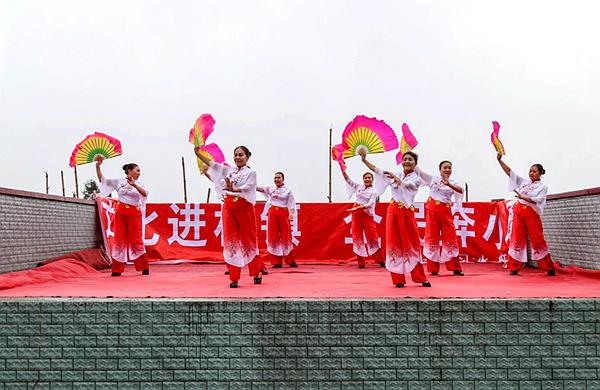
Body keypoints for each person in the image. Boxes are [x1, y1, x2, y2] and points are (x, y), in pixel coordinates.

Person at [194, 145, 264, 288]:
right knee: (230, 241)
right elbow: (212, 164)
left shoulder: (251, 173)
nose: (238, 157)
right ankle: (234, 277)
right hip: (228, 206)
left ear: (247, 157)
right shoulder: (229, 170)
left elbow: (249, 188)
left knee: (248, 240)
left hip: (244, 207)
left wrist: (235, 189)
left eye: (241, 155)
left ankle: (256, 272)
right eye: (236, 155)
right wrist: (198, 153)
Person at [360, 149, 431, 288]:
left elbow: (408, 187)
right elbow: (378, 170)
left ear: (415, 163)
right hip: (393, 212)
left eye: (410, 159)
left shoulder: (416, 178)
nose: (407, 161)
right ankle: (398, 279)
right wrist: (364, 160)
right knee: (394, 244)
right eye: (405, 159)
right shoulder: (396, 173)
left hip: (406, 214)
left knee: (412, 245)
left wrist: (396, 179)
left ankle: (420, 277)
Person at [497, 153, 555, 276]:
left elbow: (538, 200)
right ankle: (514, 267)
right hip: (519, 212)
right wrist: (500, 161)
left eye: (534, 171)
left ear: (540, 173)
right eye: (530, 171)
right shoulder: (524, 182)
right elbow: (510, 173)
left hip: (531, 213)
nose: (531, 173)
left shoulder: (542, 187)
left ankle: (548, 267)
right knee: (516, 239)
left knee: (537, 239)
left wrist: (524, 197)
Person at [95, 157, 149, 276]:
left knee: (136, 240)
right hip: (120, 213)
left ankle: (143, 266)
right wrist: (98, 166)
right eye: (137, 170)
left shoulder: (140, 183)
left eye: (139, 171)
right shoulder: (119, 181)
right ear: (129, 170)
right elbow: (103, 180)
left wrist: (134, 185)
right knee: (119, 240)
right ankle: (117, 269)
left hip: (135, 213)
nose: (139, 173)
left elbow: (145, 193)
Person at [416, 161, 465, 276]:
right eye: (445, 168)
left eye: (449, 168)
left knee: (451, 238)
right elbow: (419, 172)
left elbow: (461, 190)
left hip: (446, 212)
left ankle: (455, 267)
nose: (447, 170)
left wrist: (449, 184)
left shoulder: (453, 182)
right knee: (432, 237)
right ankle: (433, 268)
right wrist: (410, 156)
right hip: (432, 210)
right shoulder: (433, 179)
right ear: (440, 169)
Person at [341, 170, 385, 268]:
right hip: (356, 213)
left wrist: (360, 207)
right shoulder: (359, 187)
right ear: (363, 179)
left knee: (372, 237)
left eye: (369, 177)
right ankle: (361, 262)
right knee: (357, 237)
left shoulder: (374, 191)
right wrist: (343, 171)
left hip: (366, 214)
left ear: (372, 180)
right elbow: (348, 181)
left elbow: (371, 203)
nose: (367, 179)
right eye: (366, 178)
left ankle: (380, 260)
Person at [257, 172, 298, 268]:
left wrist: (291, 214)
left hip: (283, 214)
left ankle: (290, 260)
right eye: (275, 178)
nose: (277, 180)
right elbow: (258, 188)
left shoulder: (288, 191)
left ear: (283, 179)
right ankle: (276, 262)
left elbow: (292, 203)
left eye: (279, 178)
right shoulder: (270, 188)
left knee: (286, 236)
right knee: (273, 237)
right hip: (272, 214)